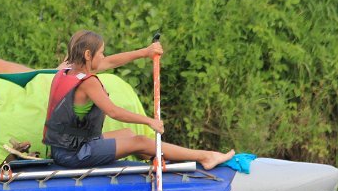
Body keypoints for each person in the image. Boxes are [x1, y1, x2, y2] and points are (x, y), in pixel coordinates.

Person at [44, 30, 234, 170]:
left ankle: (160, 159)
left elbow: (111, 62)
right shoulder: (88, 83)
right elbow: (114, 112)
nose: (104, 57)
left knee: (128, 133)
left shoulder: (65, 70)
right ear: (87, 55)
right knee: (141, 140)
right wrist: (149, 121)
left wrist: (145, 52)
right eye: (101, 52)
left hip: (65, 147)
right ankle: (205, 157)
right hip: (75, 153)